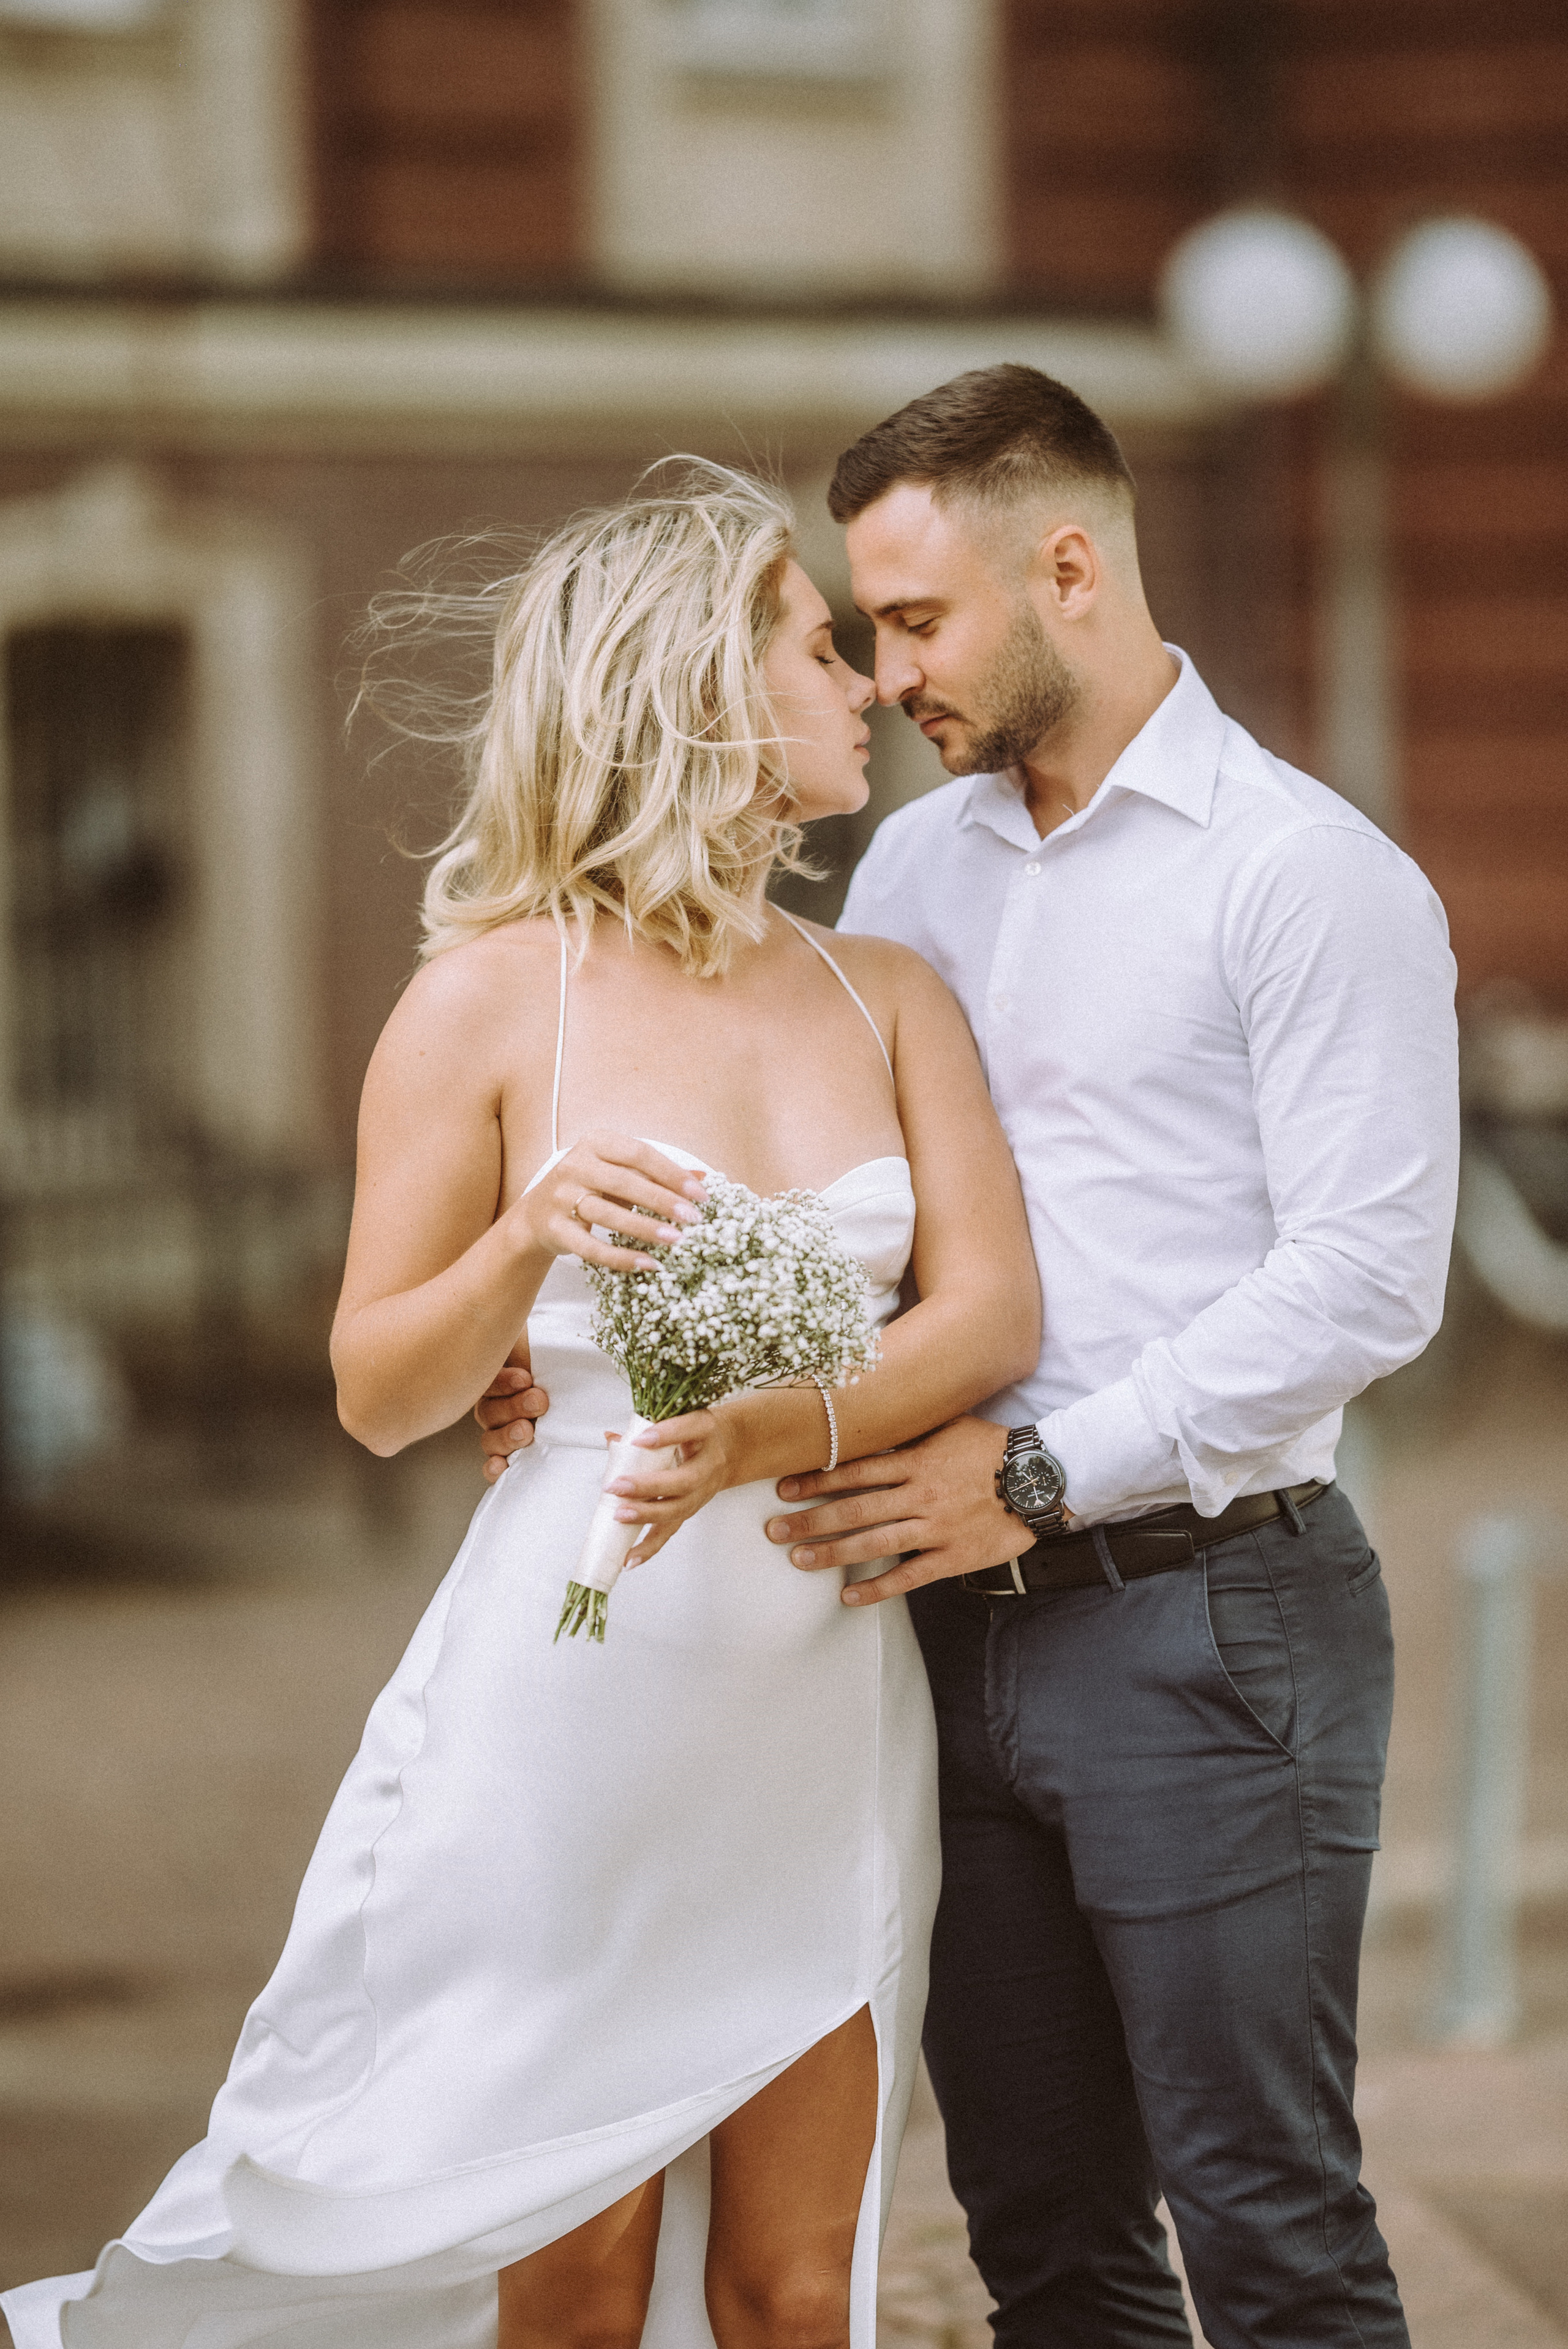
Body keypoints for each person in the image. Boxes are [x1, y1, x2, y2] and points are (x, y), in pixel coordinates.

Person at [475, 363, 1466, 2349]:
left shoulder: (1304, 875)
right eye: (862, 627)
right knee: (1041, 2223)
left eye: (920, 620)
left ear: (1071, 567)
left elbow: (1369, 1278)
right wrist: (591, 1362)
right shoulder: (916, 876)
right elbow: (862, 1217)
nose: (888, 667)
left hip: (1208, 1615)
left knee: (1264, 2213)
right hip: (936, 1642)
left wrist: (1036, 1466)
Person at [0, 466, 1041, 2349]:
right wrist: (520, 1244)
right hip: (572, 1703)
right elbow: (379, 1392)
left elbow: (988, 1314)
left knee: (805, 2285)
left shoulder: (888, 992)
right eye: (821, 645)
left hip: (819, 1699)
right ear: (695, 688)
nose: (865, 683)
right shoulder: (487, 1003)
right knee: (566, 2277)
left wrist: (771, 1430)